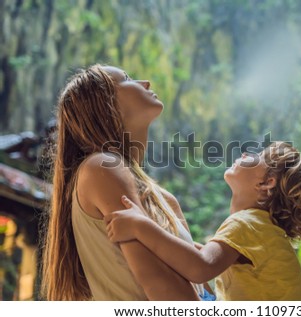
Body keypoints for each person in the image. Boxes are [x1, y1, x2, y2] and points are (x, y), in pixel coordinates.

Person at [40, 64, 203, 300]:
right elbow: (162, 285)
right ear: (104, 105)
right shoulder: (102, 167)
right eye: (127, 78)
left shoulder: (165, 198)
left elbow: (201, 285)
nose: (145, 82)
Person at [105, 141, 301, 300]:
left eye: (260, 155)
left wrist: (140, 227)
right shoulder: (262, 229)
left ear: (267, 184)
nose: (247, 152)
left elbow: (201, 267)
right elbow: (197, 254)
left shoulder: (247, 224)